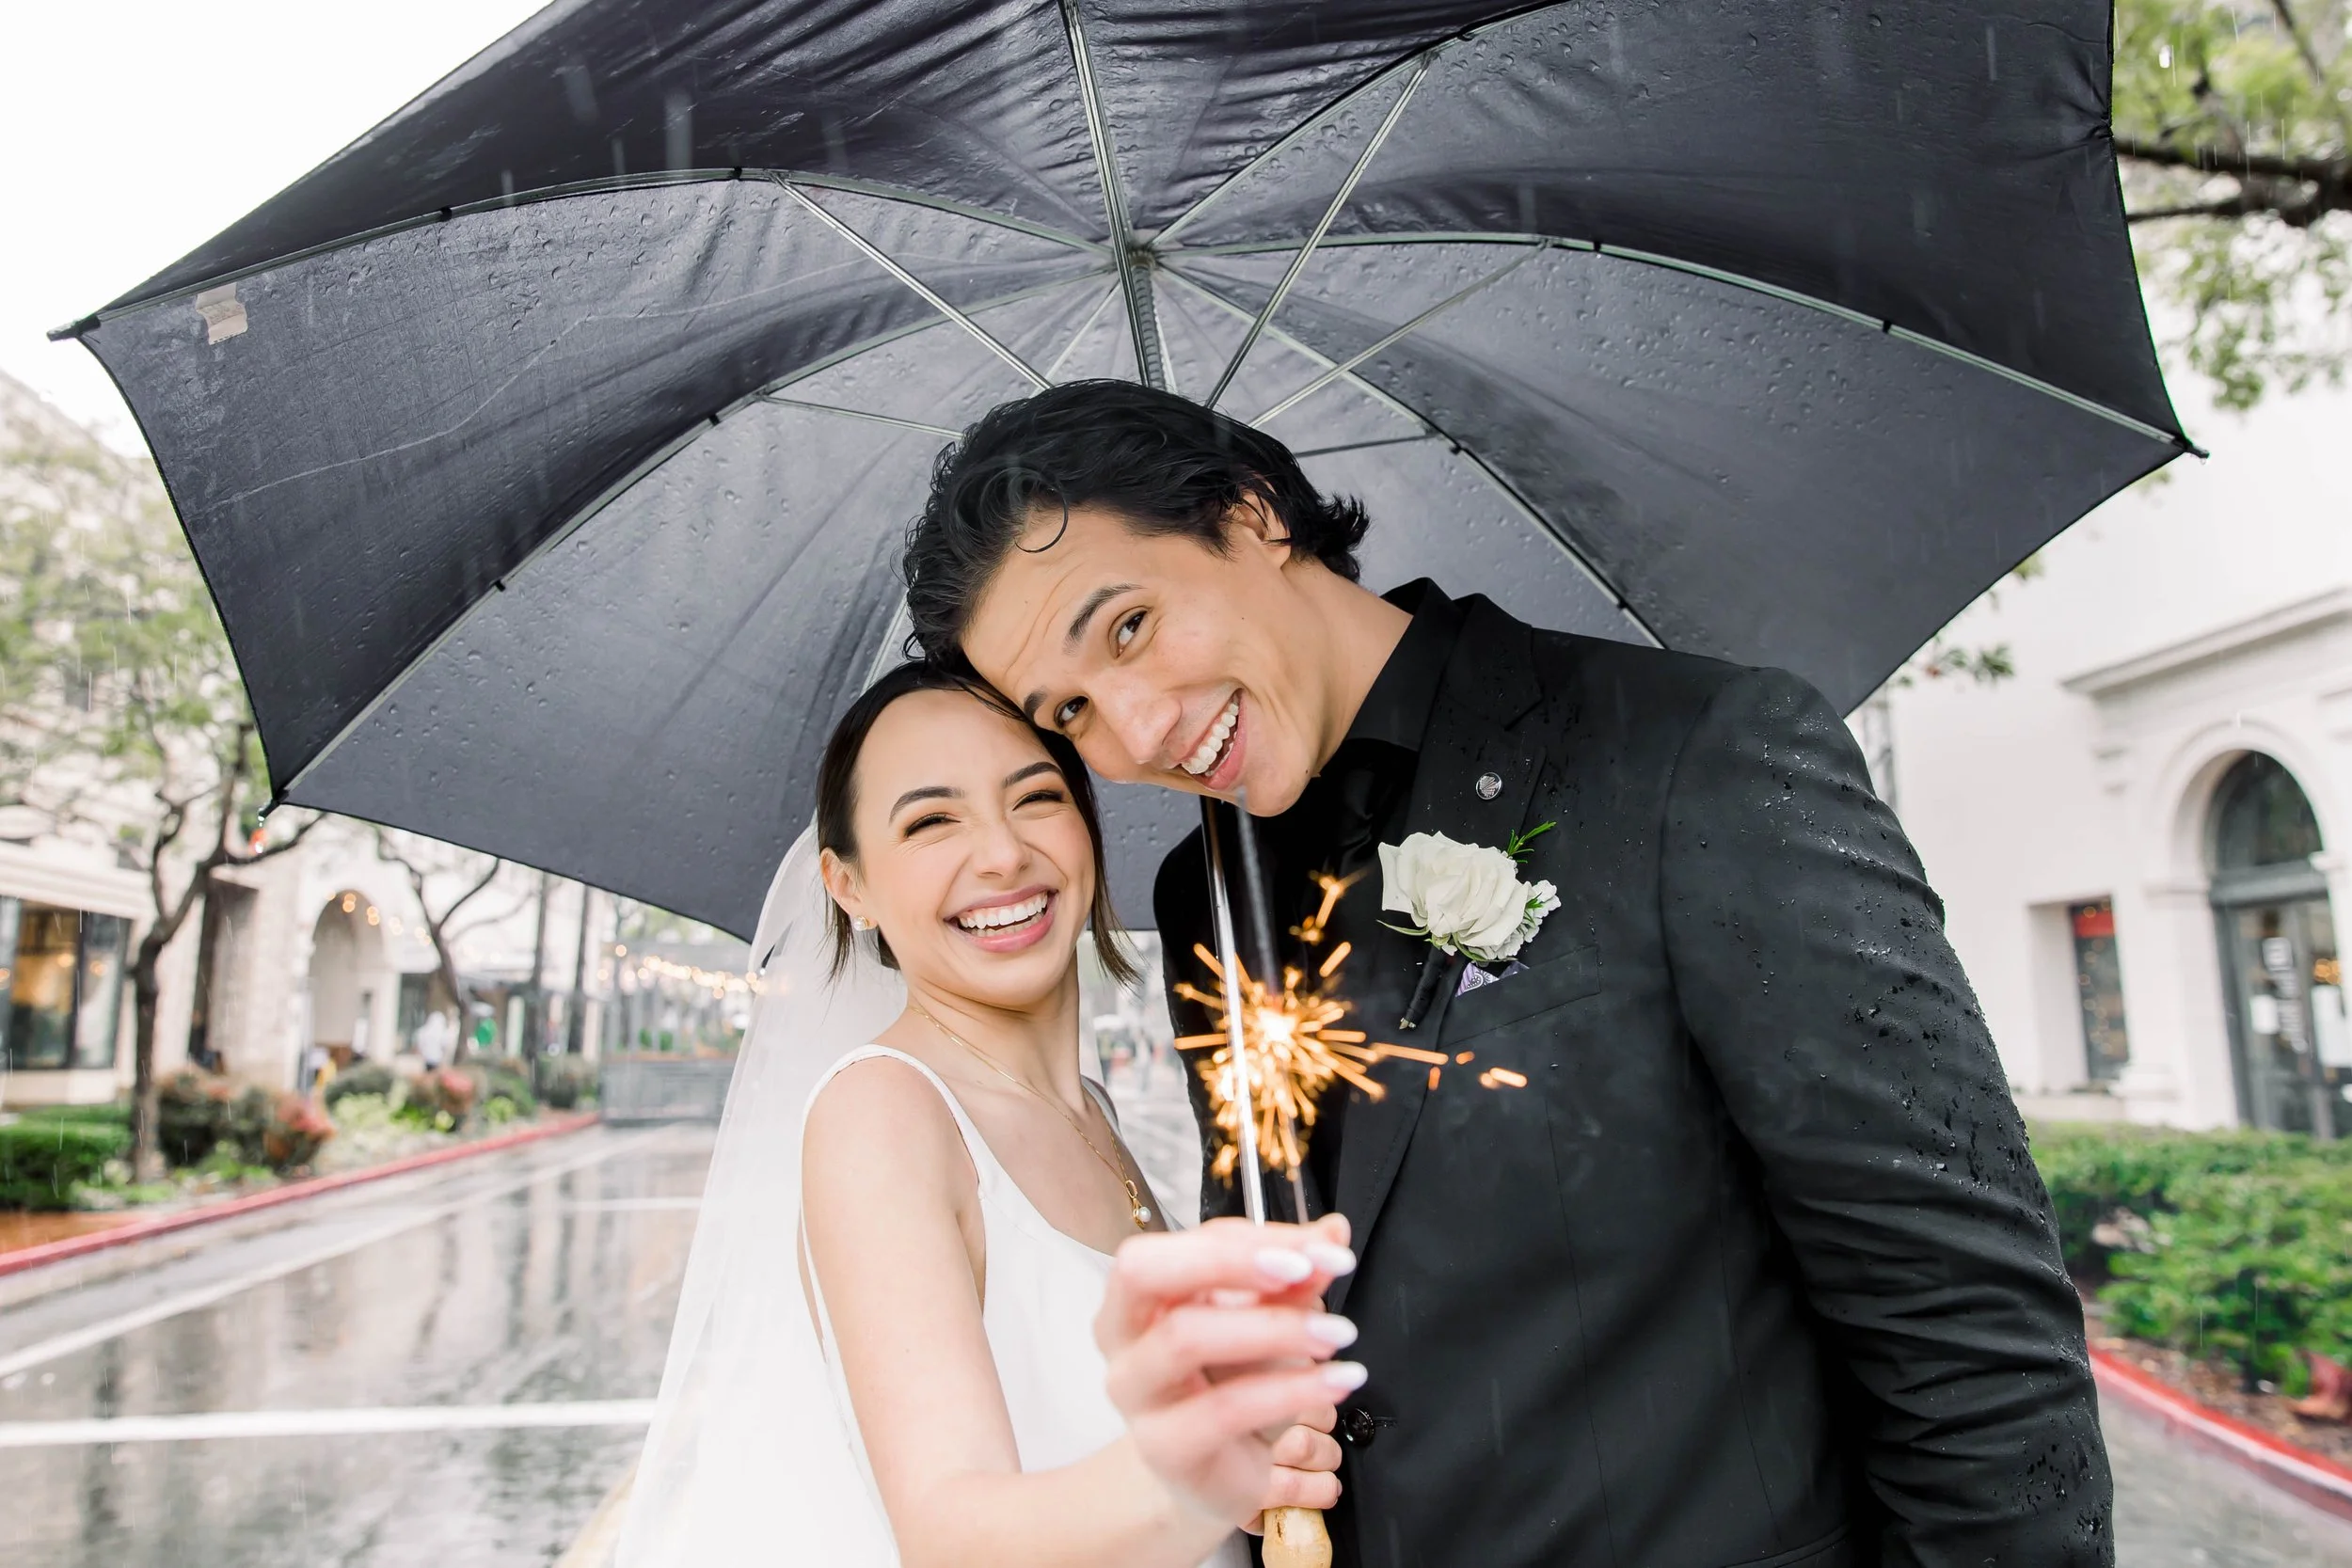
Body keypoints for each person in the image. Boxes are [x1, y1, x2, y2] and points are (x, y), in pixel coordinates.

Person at [901, 382, 2113, 1567]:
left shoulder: (1691, 755)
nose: (1135, 730)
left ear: (1251, 513)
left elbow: (1969, 1335)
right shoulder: (1204, 897)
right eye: (1069, 712)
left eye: (1127, 626)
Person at [617, 661, 1353, 1568]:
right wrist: (1207, 1464)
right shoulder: (884, 1110)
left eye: (1037, 797)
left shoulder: (1092, 1111)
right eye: (931, 820)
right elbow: (954, 1534)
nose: (1003, 853)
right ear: (848, 885)